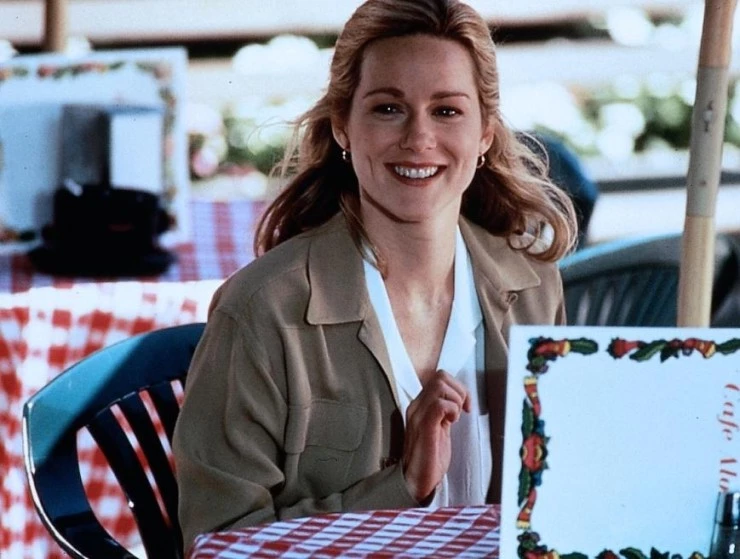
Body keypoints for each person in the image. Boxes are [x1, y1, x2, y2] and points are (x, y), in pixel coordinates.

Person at [172, 0, 578, 550]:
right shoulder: (261, 310)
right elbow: (219, 543)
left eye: (447, 111)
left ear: (485, 133)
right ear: (343, 126)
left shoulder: (535, 288)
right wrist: (401, 486)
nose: (418, 137)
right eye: (388, 108)